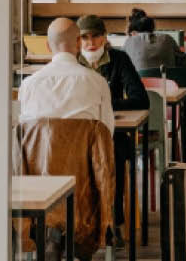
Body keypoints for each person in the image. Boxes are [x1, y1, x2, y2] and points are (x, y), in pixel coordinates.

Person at [78, 15, 149, 239]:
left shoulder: (119, 59)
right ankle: (71, 222)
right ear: (77, 40)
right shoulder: (72, 61)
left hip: (112, 131)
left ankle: (112, 222)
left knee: (114, 156)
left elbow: (140, 99)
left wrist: (105, 105)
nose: (91, 43)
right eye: (85, 37)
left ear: (105, 37)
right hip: (78, 134)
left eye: (96, 36)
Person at [19, 17, 114, 133]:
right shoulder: (98, 82)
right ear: (79, 43)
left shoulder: (28, 85)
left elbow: (25, 133)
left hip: (42, 151)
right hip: (85, 151)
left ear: (48, 46)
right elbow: (107, 132)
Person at [121, 8, 186, 71]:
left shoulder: (129, 41)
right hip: (166, 83)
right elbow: (185, 62)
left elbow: (120, 67)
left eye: (129, 35)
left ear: (133, 33)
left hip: (138, 83)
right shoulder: (167, 38)